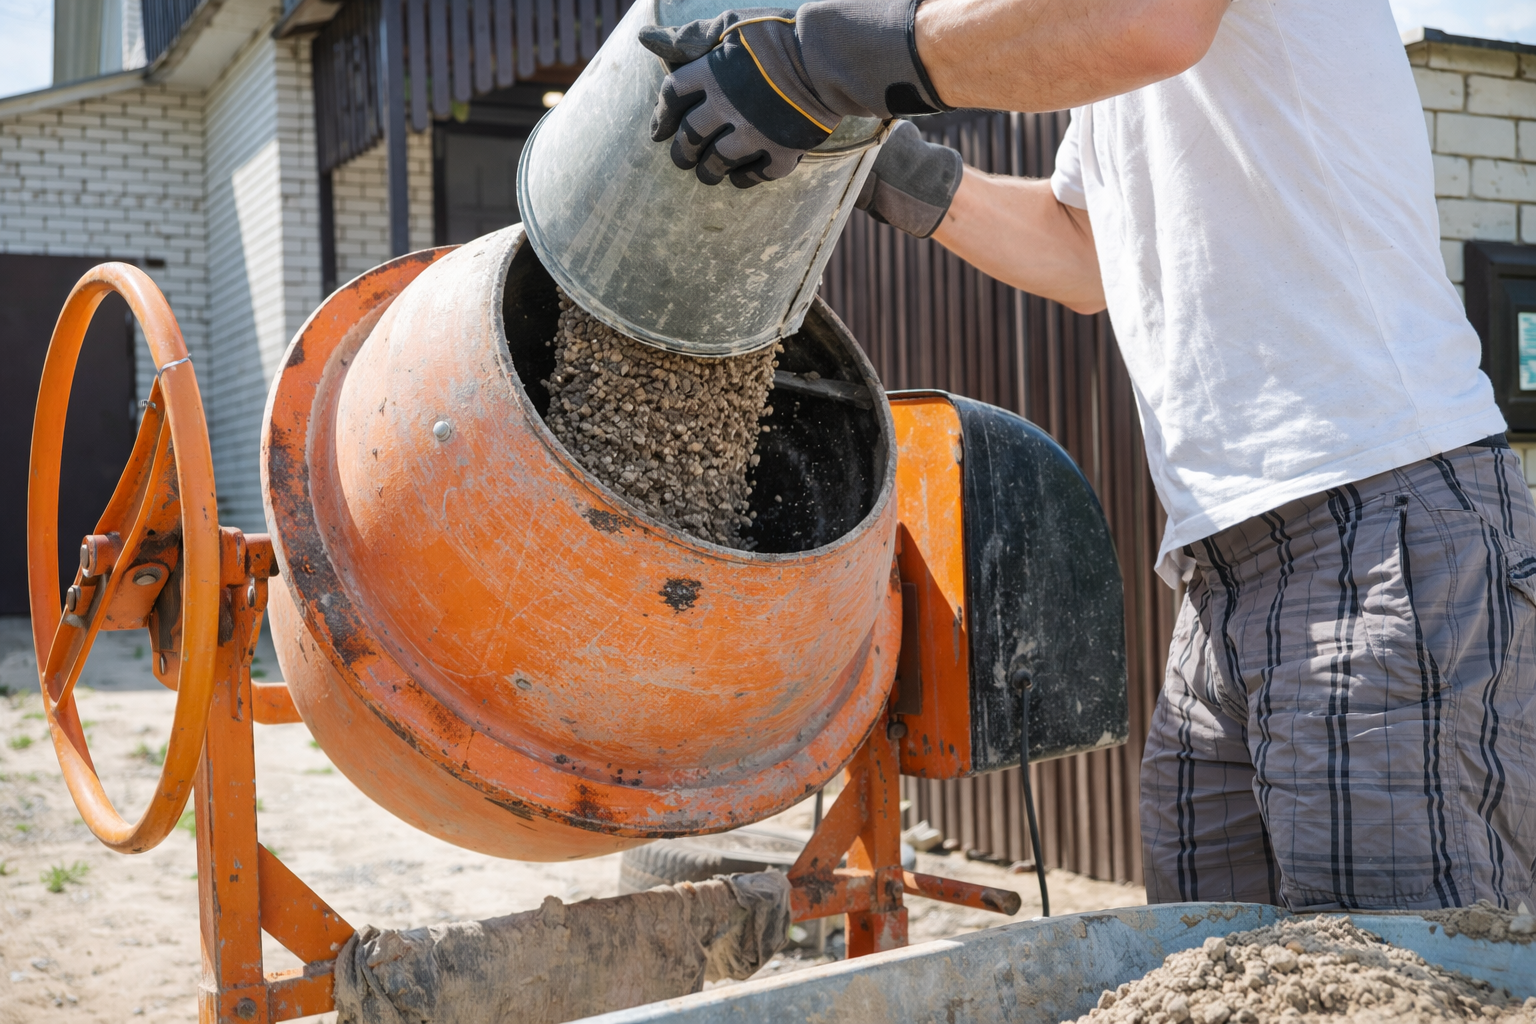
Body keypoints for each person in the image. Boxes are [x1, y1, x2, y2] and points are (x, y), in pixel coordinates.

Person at [640, 0, 1536, 912]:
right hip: (1222, 572)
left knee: (1396, 968)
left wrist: (825, 61)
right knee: (1208, 965)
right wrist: (875, 158)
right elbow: (1084, 254)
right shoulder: (1116, 86)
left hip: (1380, 519)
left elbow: (1148, 22)